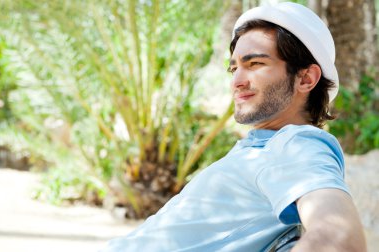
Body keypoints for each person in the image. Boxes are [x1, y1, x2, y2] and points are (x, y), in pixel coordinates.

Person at [101, 2, 366, 251]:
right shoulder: (263, 148)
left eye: (255, 64)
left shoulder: (297, 144)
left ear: (306, 78)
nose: (237, 81)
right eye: (234, 68)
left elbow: (339, 238)